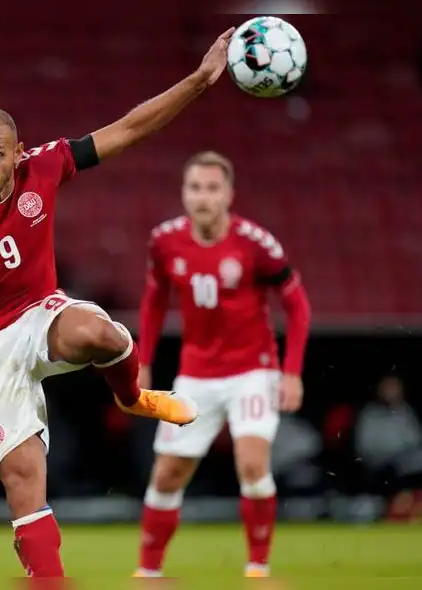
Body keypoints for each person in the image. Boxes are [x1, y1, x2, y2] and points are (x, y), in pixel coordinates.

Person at [0, 28, 236, 577]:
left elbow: (131, 127)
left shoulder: (47, 164)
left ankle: (132, 397)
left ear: (18, 152)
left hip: (41, 314)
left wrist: (201, 81)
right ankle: (47, 576)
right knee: (22, 482)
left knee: (102, 335)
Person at [133, 151, 312, 579]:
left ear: (229, 194)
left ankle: (258, 567)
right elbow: (154, 302)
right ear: (183, 193)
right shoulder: (164, 241)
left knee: (251, 463)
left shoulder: (256, 244)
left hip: (253, 369)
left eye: (213, 188)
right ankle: (149, 572)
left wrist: (291, 372)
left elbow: (298, 306)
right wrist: (143, 362)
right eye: (195, 187)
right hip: (196, 373)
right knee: (168, 473)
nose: (203, 197)